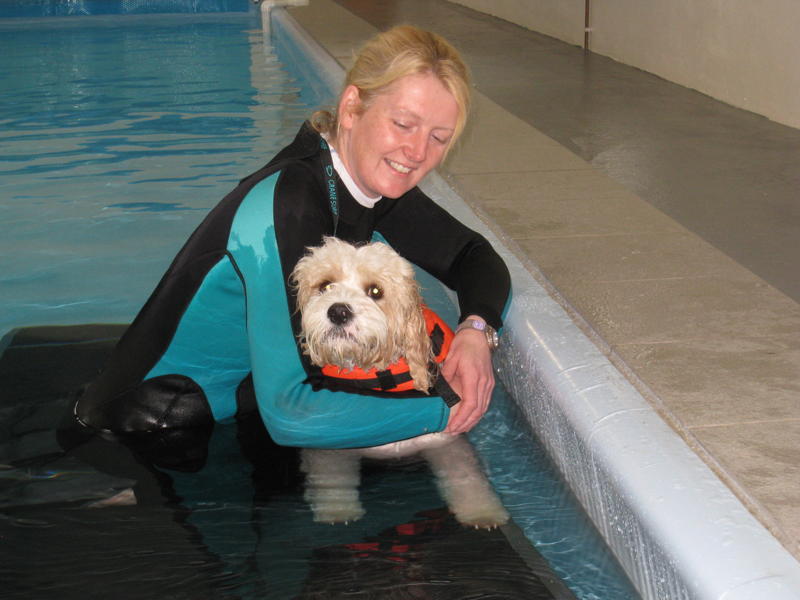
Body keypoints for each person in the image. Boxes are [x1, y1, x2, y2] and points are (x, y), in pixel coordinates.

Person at [71, 25, 510, 451]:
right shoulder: (288, 204)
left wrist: (475, 332)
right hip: (150, 430)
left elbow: (475, 257)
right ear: (353, 108)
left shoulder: (372, 181)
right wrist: (445, 411)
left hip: (227, 414)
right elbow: (289, 414)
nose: (416, 153)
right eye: (403, 124)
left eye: (438, 138)